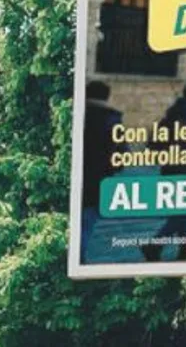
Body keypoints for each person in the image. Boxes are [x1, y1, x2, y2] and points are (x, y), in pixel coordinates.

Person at [142, 82, 186, 262]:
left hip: (170, 167)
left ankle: (185, 245)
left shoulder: (172, 114)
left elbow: (155, 141)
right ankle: (154, 245)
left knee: (179, 209)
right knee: (183, 211)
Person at [81, 80, 124, 264]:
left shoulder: (79, 113)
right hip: (98, 177)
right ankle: (79, 255)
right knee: (87, 219)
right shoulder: (111, 118)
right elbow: (120, 154)